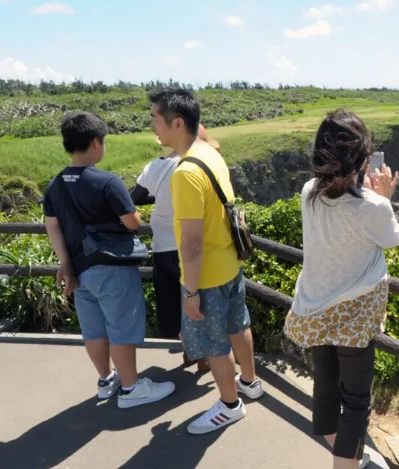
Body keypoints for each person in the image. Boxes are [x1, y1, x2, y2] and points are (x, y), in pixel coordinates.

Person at [283, 110, 399, 469]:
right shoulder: (372, 207)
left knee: (327, 389)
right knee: (356, 403)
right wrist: (384, 195)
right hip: (354, 315)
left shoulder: (307, 192)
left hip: (315, 308)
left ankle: (344, 456)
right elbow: (392, 238)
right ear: (363, 159)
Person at [149, 88, 264, 435]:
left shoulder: (184, 173)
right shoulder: (209, 153)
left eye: (156, 119)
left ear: (178, 122)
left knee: (216, 344)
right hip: (230, 262)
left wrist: (191, 291)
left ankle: (229, 405)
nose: (153, 126)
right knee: (238, 324)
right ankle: (250, 382)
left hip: (207, 276)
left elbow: (192, 242)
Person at [43, 111, 176, 408]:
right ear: (94, 143)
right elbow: (132, 222)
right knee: (121, 325)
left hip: (79, 268)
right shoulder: (106, 181)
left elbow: (52, 225)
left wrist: (65, 263)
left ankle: (106, 380)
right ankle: (131, 389)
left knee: (93, 328)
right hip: (112, 265)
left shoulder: (56, 184)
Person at [130, 124, 219, 373]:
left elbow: (132, 199)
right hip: (188, 246)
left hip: (161, 247)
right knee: (197, 302)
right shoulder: (200, 164)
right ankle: (204, 357)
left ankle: (190, 351)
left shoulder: (155, 166)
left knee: (172, 304)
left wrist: (159, 197)